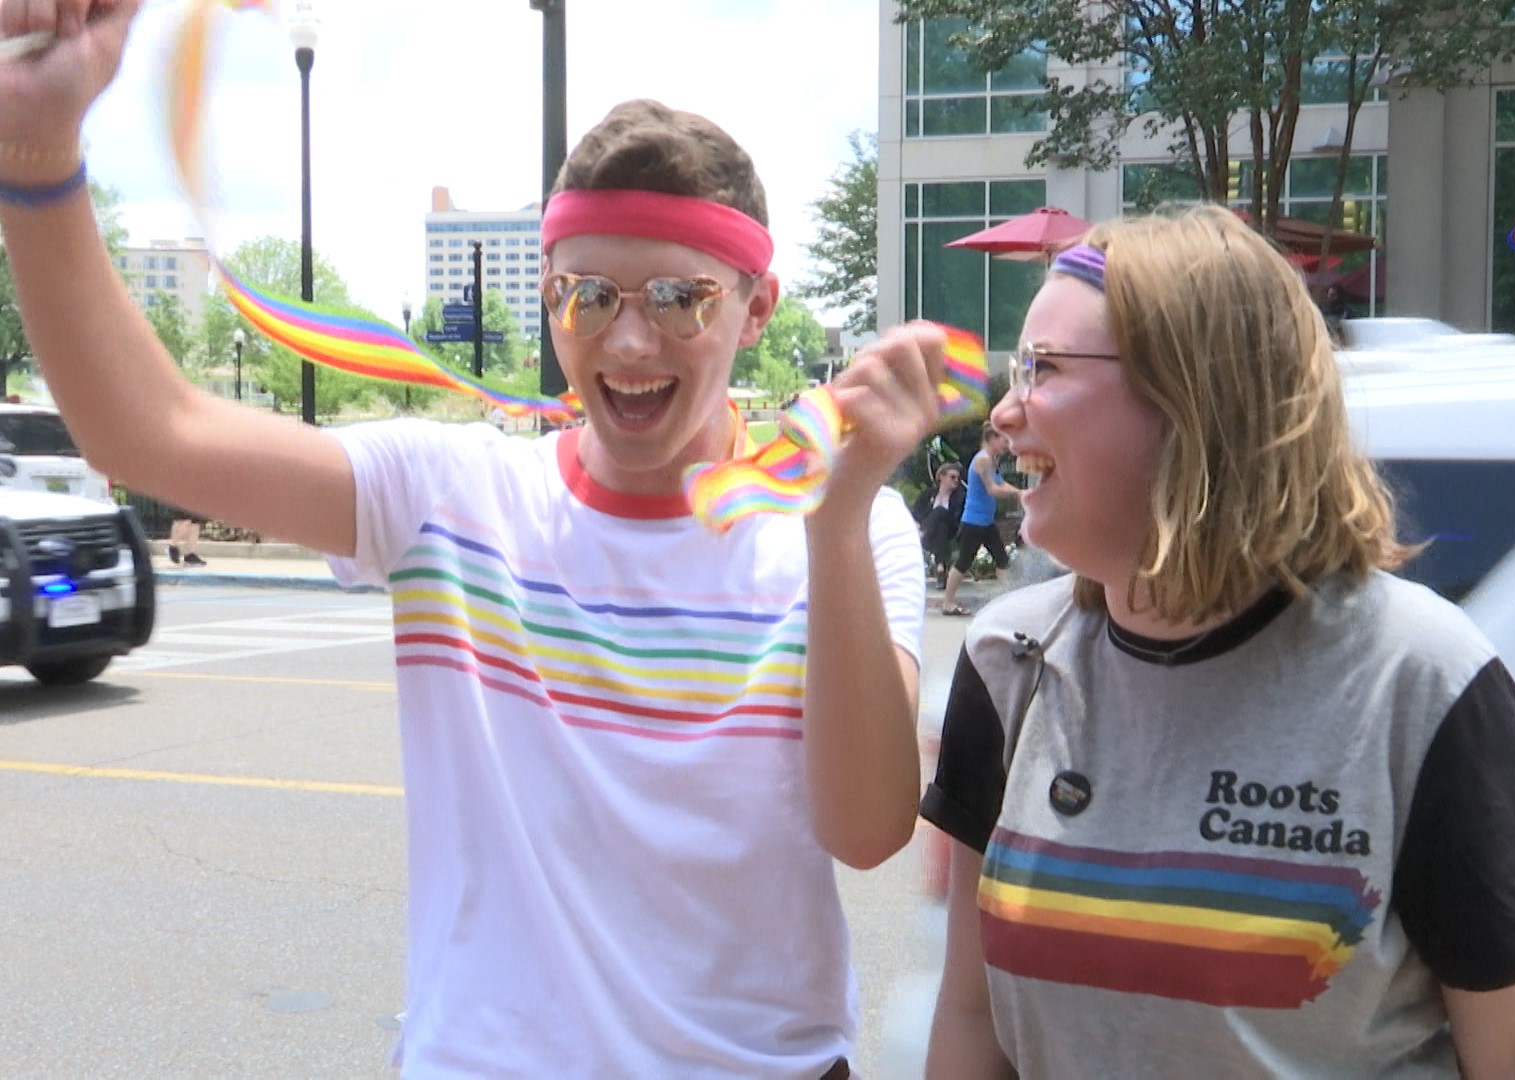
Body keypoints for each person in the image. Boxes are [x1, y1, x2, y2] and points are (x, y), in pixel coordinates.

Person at [0, 3, 953, 1074]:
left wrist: (827, 526)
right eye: (586, 295)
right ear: (548, 298)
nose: (629, 339)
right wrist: (37, 154)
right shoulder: (453, 497)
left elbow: (870, 832)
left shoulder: (850, 527)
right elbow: (152, 436)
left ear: (756, 305)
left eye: (681, 299)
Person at [921, 208, 1515, 1078]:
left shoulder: (1418, 679)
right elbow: (973, 1020)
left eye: (1043, 368)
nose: (1004, 412)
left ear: (1195, 402)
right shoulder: (1007, 660)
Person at [939, 423, 1019, 617]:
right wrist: (1019, 493)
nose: (1007, 445)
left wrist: (1020, 492)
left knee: (1002, 559)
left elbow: (1001, 483)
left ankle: (1009, 601)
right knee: (963, 562)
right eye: (1003, 440)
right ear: (992, 438)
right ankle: (948, 603)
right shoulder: (982, 460)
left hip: (986, 522)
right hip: (974, 522)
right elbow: (993, 489)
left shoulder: (991, 460)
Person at [913, 460, 965, 581]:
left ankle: (922, 533)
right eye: (952, 477)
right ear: (941, 477)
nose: (956, 480)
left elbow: (957, 518)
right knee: (940, 528)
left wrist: (922, 530)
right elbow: (915, 514)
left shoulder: (959, 497)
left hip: (951, 530)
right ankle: (940, 568)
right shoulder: (928, 494)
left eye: (958, 478)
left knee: (941, 512)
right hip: (935, 535)